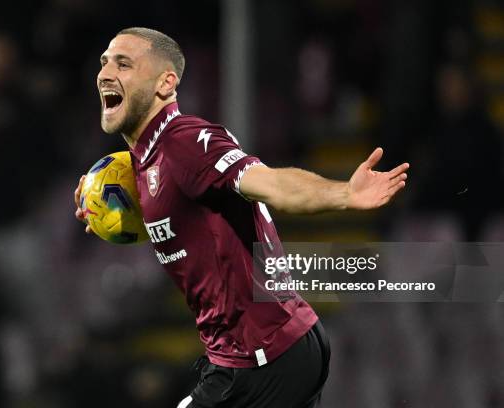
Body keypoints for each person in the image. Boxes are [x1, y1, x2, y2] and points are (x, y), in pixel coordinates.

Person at [73, 27, 409, 408]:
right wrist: (109, 212)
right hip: (273, 349)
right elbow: (192, 223)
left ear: (166, 83)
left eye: (124, 63)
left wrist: (344, 193)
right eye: (104, 62)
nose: (105, 72)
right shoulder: (147, 161)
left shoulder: (184, 141)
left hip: (263, 357)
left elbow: (268, 182)